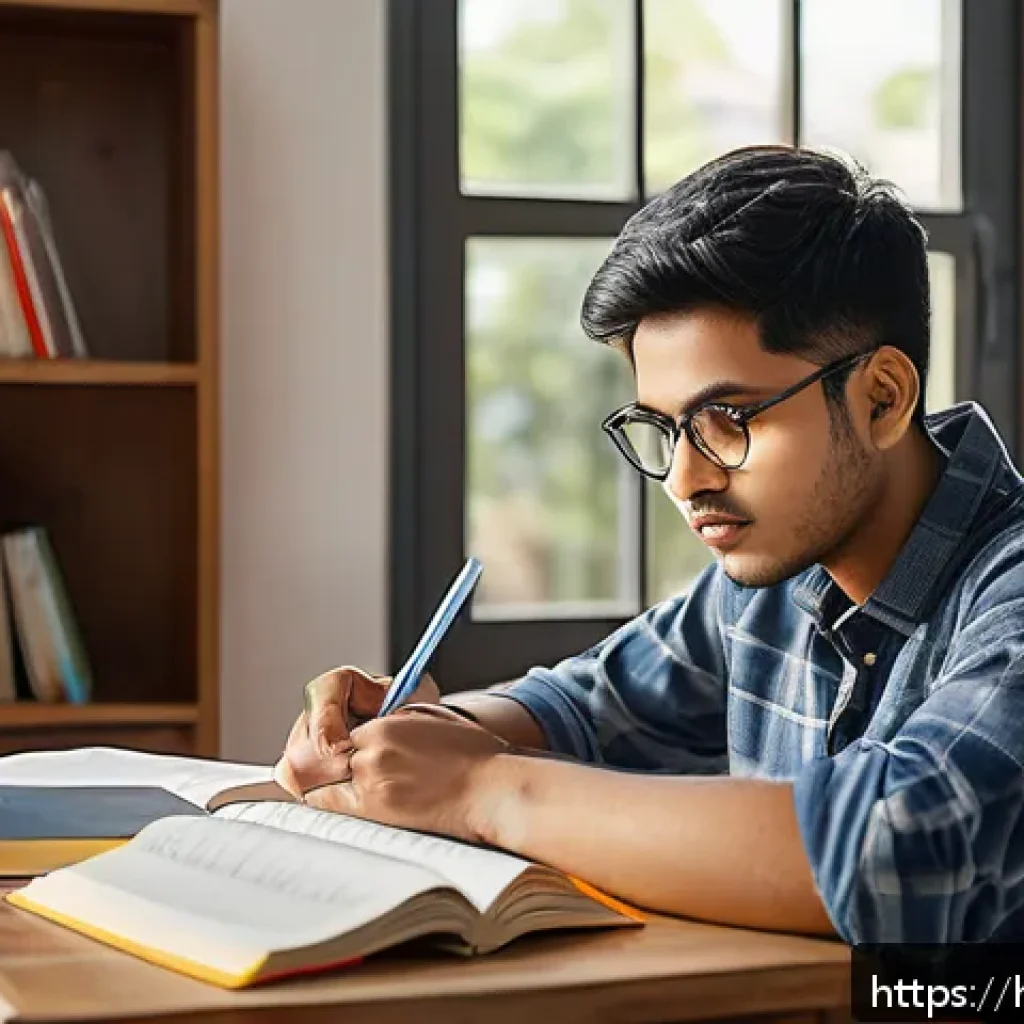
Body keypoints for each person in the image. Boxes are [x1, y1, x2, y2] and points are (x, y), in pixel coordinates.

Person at [274, 145, 1024, 946]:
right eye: (663, 429)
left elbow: (900, 857)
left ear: (882, 398)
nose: (685, 479)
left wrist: (480, 790)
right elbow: (590, 706)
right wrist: (414, 728)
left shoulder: (1003, 591)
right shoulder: (770, 577)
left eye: (728, 420)